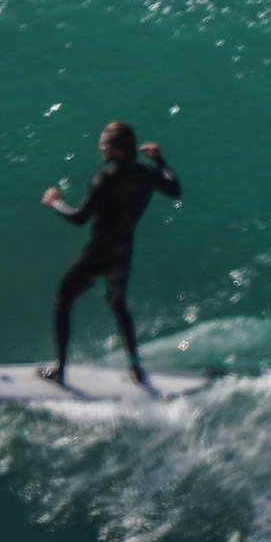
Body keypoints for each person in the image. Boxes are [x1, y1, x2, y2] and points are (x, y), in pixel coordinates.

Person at [40, 121, 181, 390]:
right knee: (118, 306)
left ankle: (59, 371)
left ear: (117, 150)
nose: (100, 146)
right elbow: (175, 190)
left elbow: (80, 218)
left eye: (104, 143)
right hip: (123, 251)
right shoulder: (148, 174)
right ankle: (136, 369)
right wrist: (161, 160)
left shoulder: (104, 178)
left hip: (98, 252)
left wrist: (55, 203)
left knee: (62, 301)